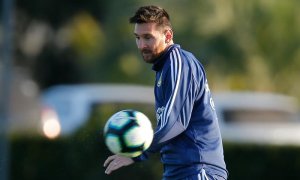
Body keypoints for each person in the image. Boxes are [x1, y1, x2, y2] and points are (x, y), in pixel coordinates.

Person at [103, 5, 228, 180]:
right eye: (137, 38)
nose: (141, 45)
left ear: (167, 35)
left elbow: (176, 122)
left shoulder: (179, 63)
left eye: (148, 37)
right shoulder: (164, 68)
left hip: (198, 170)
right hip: (178, 172)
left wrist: (137, 153)